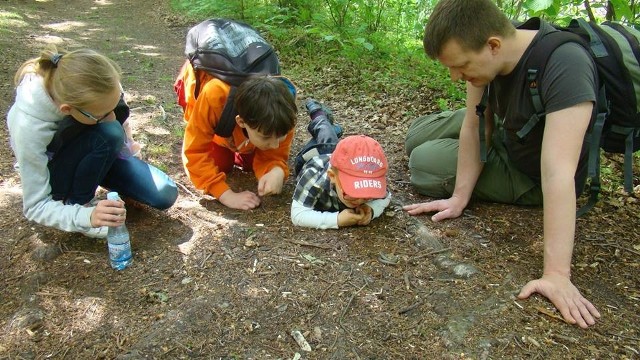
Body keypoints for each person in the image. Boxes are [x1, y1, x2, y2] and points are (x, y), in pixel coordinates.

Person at [403, 0, 601, 328]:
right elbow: (474, 125)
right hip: (512, 133)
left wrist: (556, 274)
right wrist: (459, 196)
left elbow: (557, 172)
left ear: (493, 45)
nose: (454, 77)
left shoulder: (565, 64)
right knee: (416, 136)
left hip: (530, 171)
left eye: (461, 65)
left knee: (423, 163)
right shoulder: (495, 55)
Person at [7, 47, 178, 239]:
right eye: (101, 114)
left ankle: (96, 172)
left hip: (97, 150)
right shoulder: (28, 125)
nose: (112, 115)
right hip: (57, 172)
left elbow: (118, 123)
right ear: (67, 110)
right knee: (109, 131)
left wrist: (129, 152)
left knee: (164, 193)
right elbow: (35, 206)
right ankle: (77, 202)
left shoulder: (99, 80)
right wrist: (86, 217)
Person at [180, 63, 297, 211]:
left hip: (239, 124)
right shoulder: (214, 96)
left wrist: (276, 170)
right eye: (266, 137)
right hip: (199, 90)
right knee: (220, 163)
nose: (275, 145)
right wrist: (225, 195)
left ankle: (243, 148)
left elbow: (275, 153)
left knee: (251, 164)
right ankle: (232, 147)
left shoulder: (283, 110)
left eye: (281, 136)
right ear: (241, 121)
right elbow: (194, 152)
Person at [291, 99, 391, 229]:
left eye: (366, 196)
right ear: (332, 176)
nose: (360, 200)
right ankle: (317, 113)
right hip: (316, 154)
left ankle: (335, 130)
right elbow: (298, 215)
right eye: (353, 192)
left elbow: (386, 197)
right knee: (325, 134)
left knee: (331, 138)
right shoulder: (314, 177)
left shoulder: (370, 175)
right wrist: (336, 220)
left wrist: (371, 210)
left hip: (342, 159)